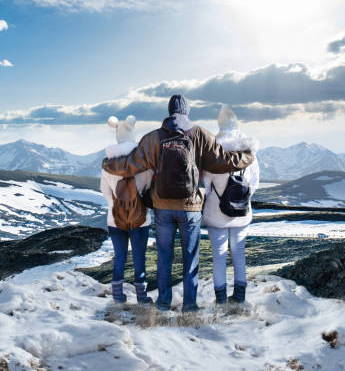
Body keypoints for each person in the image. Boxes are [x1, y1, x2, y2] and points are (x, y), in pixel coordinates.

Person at [102, 95, 255, 312]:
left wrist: (108, 163)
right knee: (190, 257)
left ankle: (164, 303)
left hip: (163, 207)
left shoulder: (153, 137)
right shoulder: (200, 133)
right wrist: (248, 155)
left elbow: (130, 165)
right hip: (190, 207)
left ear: (168, 111)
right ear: (187, 111)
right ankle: (190, 306)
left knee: (164, 256)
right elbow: (223, 161)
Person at [202, 105, 260, 304]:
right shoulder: (249, 151)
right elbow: (254, 184)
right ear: (236, 123)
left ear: (219, 123)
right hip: (242, 213)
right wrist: (240, 198)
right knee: (239, 255)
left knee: (219, 257)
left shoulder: (212, 151)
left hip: (216, 215)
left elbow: (205, 185)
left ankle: (220, 300)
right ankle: (239, 297)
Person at [100, 115, 153, 304]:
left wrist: (115, 205)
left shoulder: (108, 162)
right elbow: (149, 187)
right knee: (139, 257)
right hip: (141, 219)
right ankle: (141, 296)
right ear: (132, 133)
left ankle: (117, 295)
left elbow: (104, 190)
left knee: (119, 257)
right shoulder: (143, 161)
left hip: (115, 219)